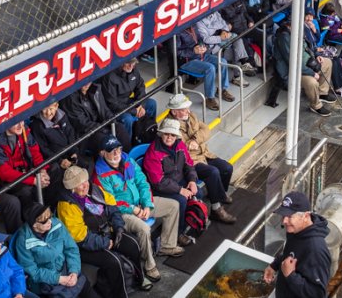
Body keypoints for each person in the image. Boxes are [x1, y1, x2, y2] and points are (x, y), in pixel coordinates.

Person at [93, 134, 185, 282]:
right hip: (121, 213)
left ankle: (167, 246)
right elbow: (111, 202)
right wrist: (133, 209)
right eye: (112, 151)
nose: (117, 153)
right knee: (144, 229)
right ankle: (149, 265)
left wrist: (147, 204)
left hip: (140, 203)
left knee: (173, 206)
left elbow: (142, 182)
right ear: (102, 153)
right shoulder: (100, 175)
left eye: (118, 149)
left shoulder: (128, 160)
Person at [57, 165, 152, 296]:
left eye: (85, 181)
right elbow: (80, 236)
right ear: (72, 188)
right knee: (114, 262)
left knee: (133, 244)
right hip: (85, 245)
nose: (85, 185)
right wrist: (104, 242)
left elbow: (112, 206)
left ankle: (139, 278)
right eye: (80, 184)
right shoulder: (67, 205)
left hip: (106, 232)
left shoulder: (94, 189)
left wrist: (118, 227)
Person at [166, 94, 237, 225]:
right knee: (213, 172)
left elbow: (206, 129)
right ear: (174, 112)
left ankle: (219, 194)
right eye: (184, 109)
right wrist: (192, 142)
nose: (188, 111)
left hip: (203, 153)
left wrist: (195, 140)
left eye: (188, 108)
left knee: (227, 168)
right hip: (190, 162)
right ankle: (216, 209)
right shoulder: (170, 127)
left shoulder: (191, 116)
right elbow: (181, 149)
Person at [12, 203, 99, 298]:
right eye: (44, 221)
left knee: (86, 288)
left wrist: (74, 272)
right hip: (45, 282)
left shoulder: (57, 224)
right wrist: (58, 279)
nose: (50, 221)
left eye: (50, 217)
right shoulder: (23, 240)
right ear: (34, 225)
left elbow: (71, 249)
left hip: (65, 270)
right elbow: (32, 271)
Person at [142, 118, 203, 244]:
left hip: (178, 181)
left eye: (173, 135)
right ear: (161, 134)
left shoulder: (180, 145)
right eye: (166, 134)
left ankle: (189, 222)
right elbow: (158, 182)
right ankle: (178, 233)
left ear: (177, 136)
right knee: (181, 200)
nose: (169, 137)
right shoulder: (153, 153)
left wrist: (192, 180)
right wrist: (180, 190)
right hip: (160, 189)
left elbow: (189, 164)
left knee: (198, 191)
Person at [0, 121, 65, 209]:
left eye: (21, 121)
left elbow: (35, 152)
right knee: (25, 190)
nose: (20, 125)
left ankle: (50, 207)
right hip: (5, 181)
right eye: (15, 122)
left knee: (54, 168)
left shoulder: (23, 129)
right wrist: (33, 180)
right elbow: (6, 174)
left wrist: (42, 170)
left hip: (26, 171)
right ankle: (37, 214)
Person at [262, 191, 331, 298]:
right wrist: (274, 266)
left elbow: (317, 294)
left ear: (305, 216)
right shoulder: (295, 230)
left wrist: (290, 275)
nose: (284, 221)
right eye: (284, 215)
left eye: (290, 216)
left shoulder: (316, 250)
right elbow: (291, 253)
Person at [267, 17, 335, 115]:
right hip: (293, 71)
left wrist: (317, 55)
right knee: (311, 82)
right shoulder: (284, 37)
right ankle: (316, 105)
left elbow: (308, 47)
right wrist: (312, 73)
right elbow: (293, 63)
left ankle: (322, 93)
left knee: (327, 63)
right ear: (289, 25)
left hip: (307, 64)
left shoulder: (297, 32)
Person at [62, 82, 132, 155]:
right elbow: (82, 123)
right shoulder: (70, 99)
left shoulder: (95, 88)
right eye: (83, 81)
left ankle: (127, 156)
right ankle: (112, 160)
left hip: (101, 125)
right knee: (106, 141)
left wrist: (111, 120)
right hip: (87, 133)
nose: (87, 84)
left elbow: (105, 110)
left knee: (120, 128)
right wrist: (104, 129)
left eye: (89, 80)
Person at [100, 59, 158, 144]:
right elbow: (112, 103)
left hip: (128, 102)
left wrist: (140, 105)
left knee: (151, 103)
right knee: (128, 119)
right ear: (120, 62)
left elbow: (140, 87)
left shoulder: (134, 70)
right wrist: (134, 111)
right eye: (128, 63)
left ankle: (150, 132)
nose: (131, 66)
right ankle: (128, 145)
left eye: (133, 63)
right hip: (113, 109)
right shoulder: (110, 76)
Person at [176, 27, 233, 111]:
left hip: (202, 55)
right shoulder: (176, 33)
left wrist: (204, 47)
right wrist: (193, 51)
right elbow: (175, 52)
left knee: (222, 62)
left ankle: (222, 89)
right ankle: (209, 98)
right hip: (187, 61)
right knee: (210, 68)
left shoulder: (193, 26)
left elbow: (201, 40)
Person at [302, 12, 342, 98]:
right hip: (312, 53)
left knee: (336, 58)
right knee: (332, 61)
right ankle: (338, 88)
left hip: (315, 50)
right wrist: (317, 50)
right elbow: (309, 45)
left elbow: (317, 39)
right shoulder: (303, 28)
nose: (309, 19)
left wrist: (314, 29)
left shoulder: (310, 26)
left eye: (311, 16)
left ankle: (341, 85)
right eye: (307, 16)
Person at [196, 11, 255, 78]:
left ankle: (242, 66)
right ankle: (238, 74)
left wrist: (224, 31)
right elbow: (206, 39)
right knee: (236, 52)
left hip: (224, 43)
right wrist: (220, 37)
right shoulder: (199, 22)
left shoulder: (215, 13)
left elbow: (224, 24)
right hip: (214, 49)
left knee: (237, 40)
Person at [29, 101, 82, 171]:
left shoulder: (62, 115)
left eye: (51, 109)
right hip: (55, 160)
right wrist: (60, 161)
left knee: (88, 164)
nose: (48, 113)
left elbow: (70, 133)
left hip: (70, 153)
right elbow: (44, 149)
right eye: (44, 109)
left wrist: (74, 152)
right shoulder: (36, 125)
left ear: (56, 106)